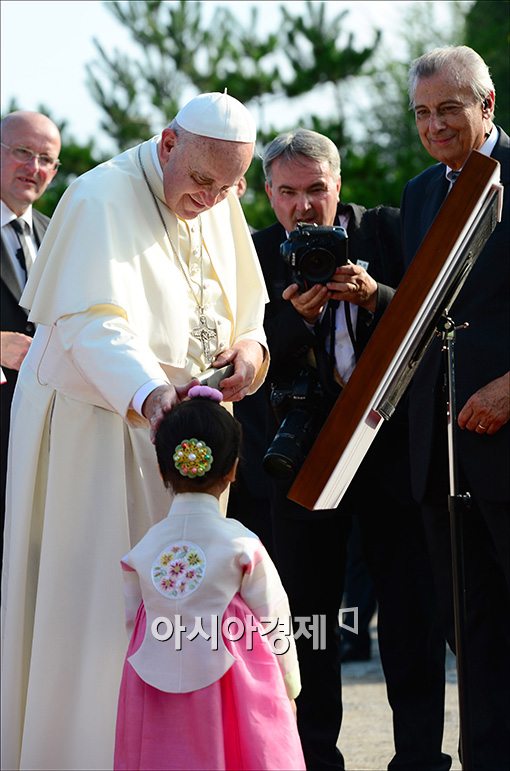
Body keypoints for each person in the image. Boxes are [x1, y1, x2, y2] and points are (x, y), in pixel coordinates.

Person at [1, 91, 269, 771]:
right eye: (201, 181)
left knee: (181, 612)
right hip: (99, 439)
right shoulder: (99, 196)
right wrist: (152, 396)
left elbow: (247, 312)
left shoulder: (221, 201)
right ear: (169, 142)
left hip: (186, 451)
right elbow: (92, 323)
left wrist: (252, 353)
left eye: (228, 186)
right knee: (97, 616)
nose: (210, 200)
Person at [254, 128, 449, 770]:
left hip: (389, 454)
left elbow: (433, 319)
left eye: (317, 191)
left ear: (339, 187)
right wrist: (297, 319)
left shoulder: (388, 231)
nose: (304, 208)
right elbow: (246, 360)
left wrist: (378, 297)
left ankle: (420, 758)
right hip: (300, 458)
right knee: (308, 622)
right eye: (288, 193)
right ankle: (315, 759)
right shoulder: (250, 255)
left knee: (409, 617)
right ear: (268, 193)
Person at [402, 45, 510, 769]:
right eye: (421, 113)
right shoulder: (418, 194)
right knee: (470, 628)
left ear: (487, 105)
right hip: (440, 452)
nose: (434, 125)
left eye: (449, 109)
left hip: (507, 439)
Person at [113, 384, 305, 770]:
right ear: (233, 469)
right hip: (235, 679)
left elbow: (132, 619)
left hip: (155, 680)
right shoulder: (240, 543)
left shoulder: (144, 549)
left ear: (164, 468)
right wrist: (289, 683)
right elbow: (274, 617)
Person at [0, 110, 61, 557]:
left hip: (42, 440)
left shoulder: (53, 234)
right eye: (23, 152)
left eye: (46, 159)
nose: (34, 168)